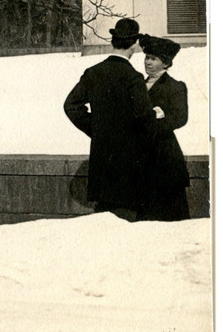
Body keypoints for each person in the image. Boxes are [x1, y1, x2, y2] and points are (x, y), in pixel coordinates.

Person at [62, 18, 154, 219]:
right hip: (129, 166)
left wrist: (96, 128)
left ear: (113, 42)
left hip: (101, 165)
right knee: (128, 224)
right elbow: (145, 118)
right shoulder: (134, 78)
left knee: (103, 226)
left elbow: (71, 106)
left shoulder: (93, 72)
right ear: (134, 45)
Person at [134, 35, 192, 222]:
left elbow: (180, 118)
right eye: (146, 57)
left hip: (165, 159)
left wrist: (154, 121)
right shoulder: (137, 86)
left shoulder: (175, 87)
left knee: (171, 217)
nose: (148, 62)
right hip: (141, 158)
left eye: (153, 58)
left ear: (165, 63)